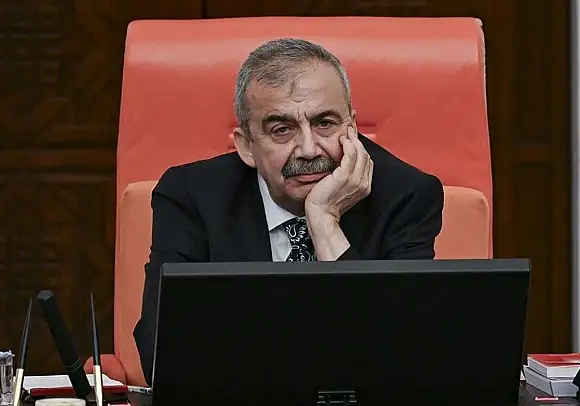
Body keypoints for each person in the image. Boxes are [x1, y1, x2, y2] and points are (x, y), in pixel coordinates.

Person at [134, 38, 444, 384]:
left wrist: (324, 221)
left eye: (325, 123)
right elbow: (160, 355)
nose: (309, 150)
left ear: (352, 128)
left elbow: (403, 357)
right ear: (246, 147)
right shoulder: (192, 196)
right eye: (281, 130)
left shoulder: (406, 195)